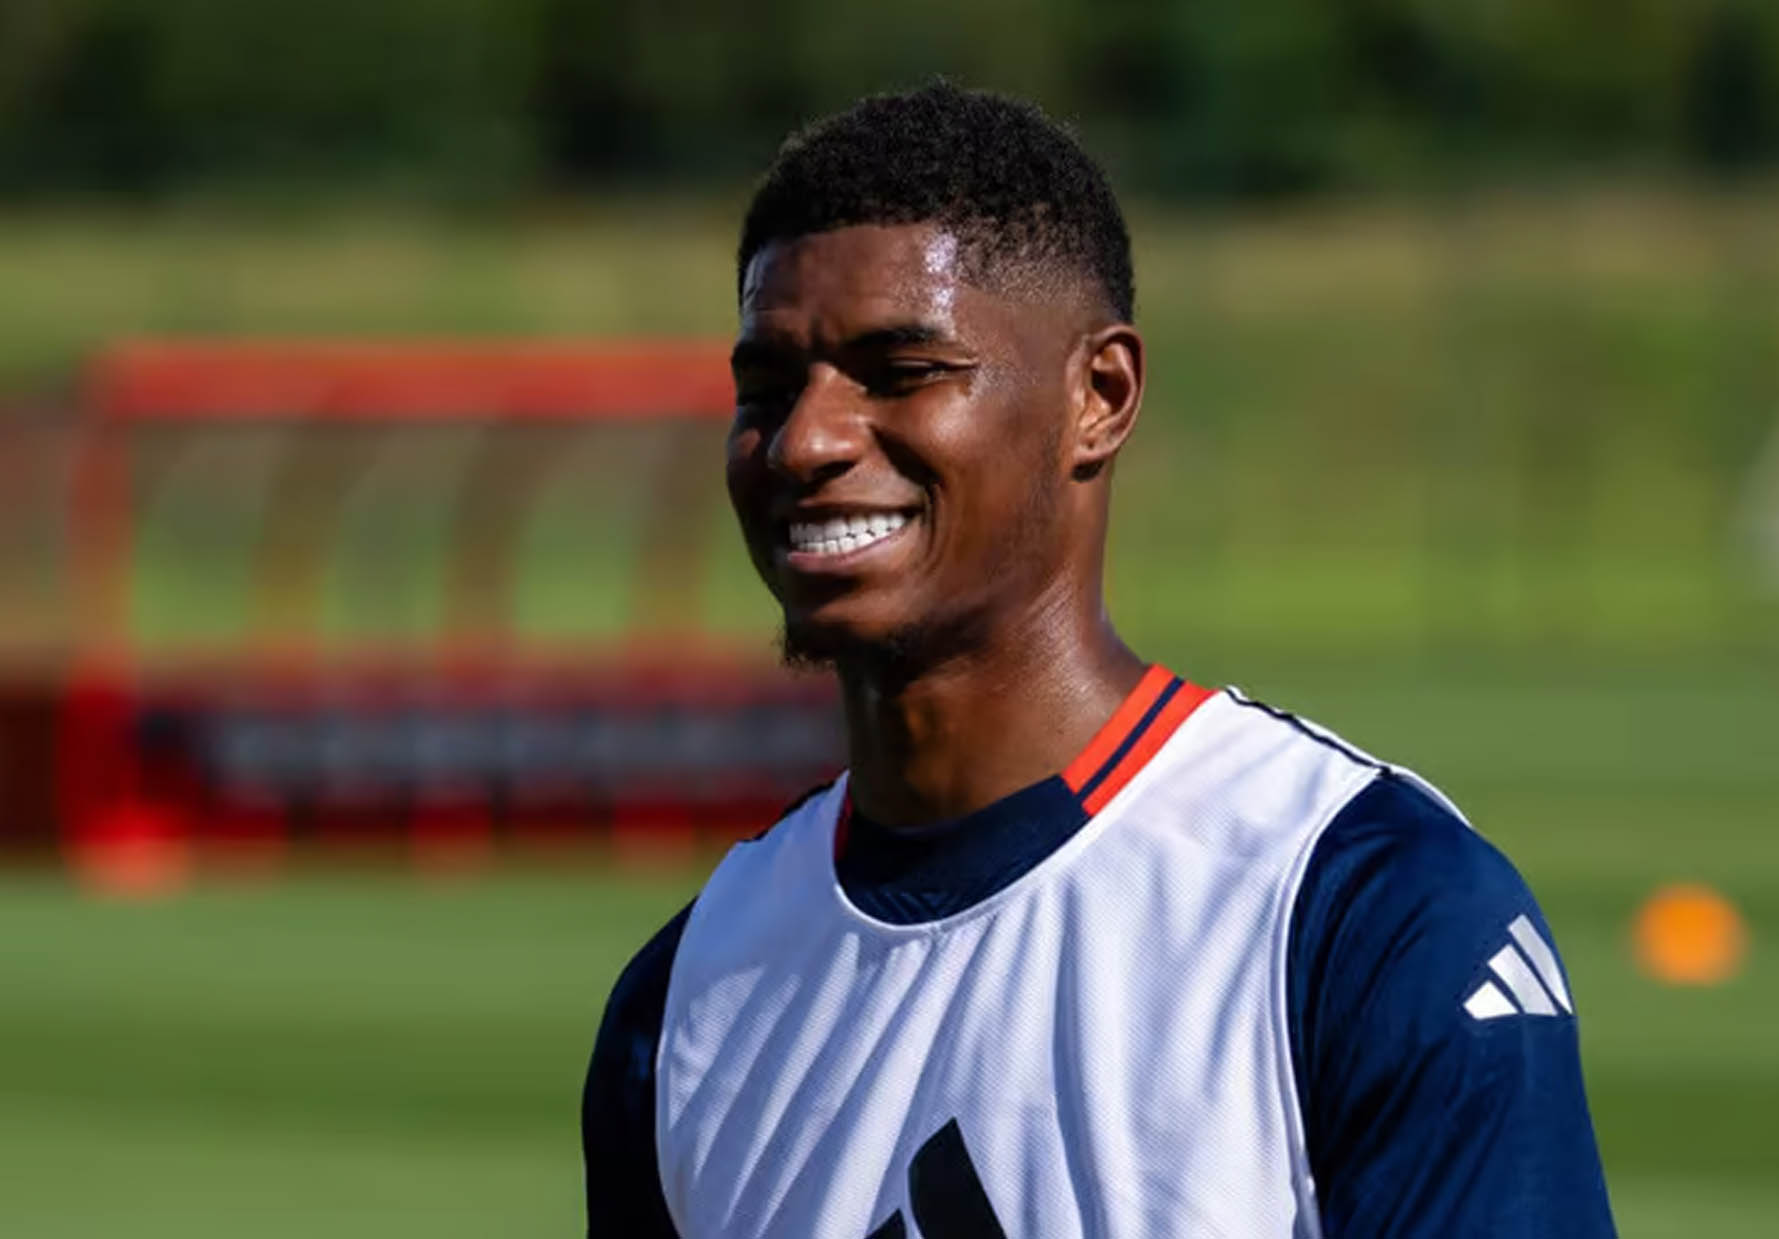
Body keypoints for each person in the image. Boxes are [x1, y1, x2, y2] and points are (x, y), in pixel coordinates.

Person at [582, 82, 1616, 1238]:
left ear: (1100, 396)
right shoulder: (686, 996)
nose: (806, 439)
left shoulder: (1358, 908)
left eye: (901, 370)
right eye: (765, 389)